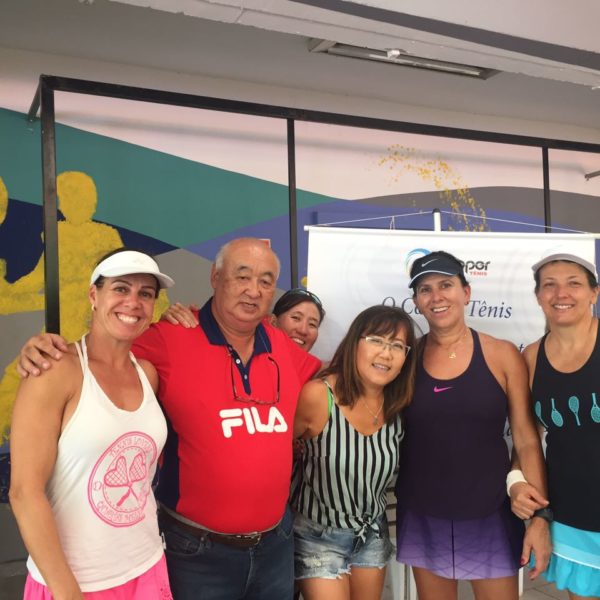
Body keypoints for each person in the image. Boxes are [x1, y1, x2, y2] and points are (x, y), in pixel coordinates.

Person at [16, 237, 321, 600]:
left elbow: (340, 379)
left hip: (266, 548)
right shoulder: (167, 339)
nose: (253, 290)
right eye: (242, 276)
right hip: (195, 553)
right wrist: (42, 350)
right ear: (216, 277)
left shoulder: (280, 346)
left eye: (266, 281)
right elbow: (102, 350)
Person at [9, 248, 175, 599]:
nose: (133, 302)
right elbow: (24, 492)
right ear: (93, 296)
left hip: (147, 565)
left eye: (146, 294)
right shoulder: (54, 371)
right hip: (76, 582)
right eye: (121, 288)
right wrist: (67, 591)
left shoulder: (147, 374)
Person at [394, 250, 550, 600]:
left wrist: (540, 517)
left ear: (466, 292)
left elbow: (526, 439)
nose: (436, 297)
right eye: (425, 289)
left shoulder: (502, 354)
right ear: (416, 302)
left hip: (490, 512)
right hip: (423, 511)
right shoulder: (404, 360)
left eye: (445, 285)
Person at [293, 305, 416, 600]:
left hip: (371, 534)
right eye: (376, 340)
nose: (386, 353)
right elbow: (274, 453)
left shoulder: (399, 407)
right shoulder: (318, 396)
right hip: (317, 535)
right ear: (354, 343)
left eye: (397, 346)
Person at [510, 252, 600, 599]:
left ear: (594, 293)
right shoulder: (531, 357)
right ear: (538, 296)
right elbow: (527, 438)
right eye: (550, 285)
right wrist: (517, 483)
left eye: (573, 283)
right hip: (570, 519)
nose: (561, 293)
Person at [163, 286, 325, 353]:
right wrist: (171, 321)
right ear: (273, 322)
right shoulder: (244, 355)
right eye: (296, 318)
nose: (303, 330)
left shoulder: (315, 377)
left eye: (313, 324)